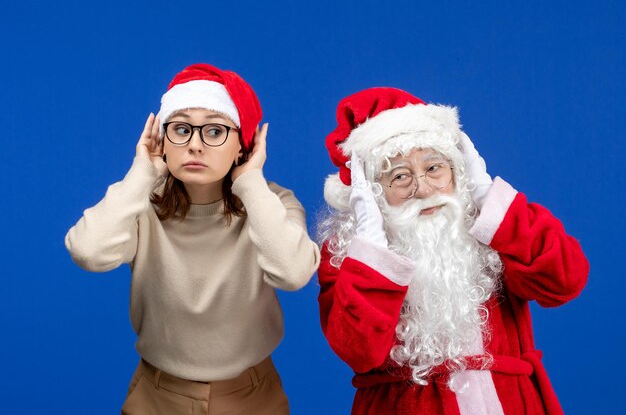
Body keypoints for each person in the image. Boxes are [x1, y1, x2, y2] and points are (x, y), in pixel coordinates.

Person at [65, 63, 320, 415]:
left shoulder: (272, 204)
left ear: (242, 144)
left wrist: (250, 181)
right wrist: (143, 174)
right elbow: (88, 252)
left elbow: (293, 274)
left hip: (252, 394)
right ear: (162, 139)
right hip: (157, 394)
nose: (195, 145)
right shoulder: (140, 204)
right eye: (182, 129)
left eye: (214, 131)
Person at [317, 87, 588, 415]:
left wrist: (487, 196)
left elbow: (565, 281)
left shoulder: (494, 228)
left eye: (434, 168)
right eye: (400, 177)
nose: (424, 189)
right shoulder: (348, 258)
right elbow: (359, 351)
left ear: (458, 170)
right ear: (370, 193)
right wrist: (373, 245)